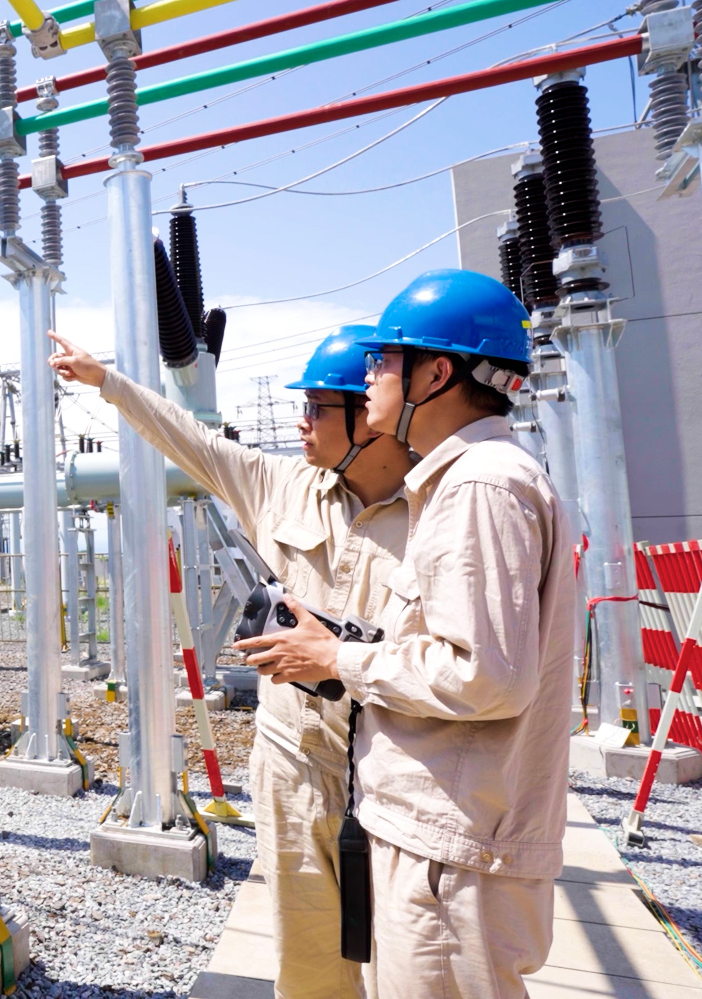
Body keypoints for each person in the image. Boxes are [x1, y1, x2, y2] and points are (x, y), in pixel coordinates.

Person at [238, 269, 576, 998]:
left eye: (384, 360)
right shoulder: (470, 480)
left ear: (438, 372)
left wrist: (335, 656)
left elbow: (485, 676)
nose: (370, 377)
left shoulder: (481, 485)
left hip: (452, 846)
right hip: (437, 834)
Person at [49, 323, 412, 999]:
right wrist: (108, 383)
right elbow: (191, 439)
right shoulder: (282, 485)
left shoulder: (440, 509)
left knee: (409, 963)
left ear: (371, 415)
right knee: (309, 959)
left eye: (316, 408)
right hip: (292, 761)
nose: (301, 423)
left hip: (392, 766)